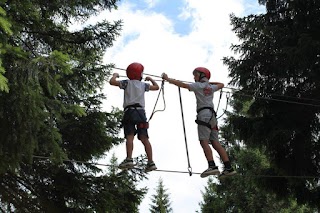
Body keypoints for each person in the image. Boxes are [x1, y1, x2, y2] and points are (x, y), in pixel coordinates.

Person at [162, 67, 236, 178]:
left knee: (204, 141)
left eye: (196, 75)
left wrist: (168, 79)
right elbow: (222, 84)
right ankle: (228, 167)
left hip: (203, 115)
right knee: (215, 142)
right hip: (212, 117)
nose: (194, 77)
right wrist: (208, 82)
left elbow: (183, 85)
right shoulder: (211, 87)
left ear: (201, 75)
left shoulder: (198, 86)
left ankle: (212, 166)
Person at [109, 62, 159, 172]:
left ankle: (129, 159)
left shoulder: (126, 83)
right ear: (139, 74)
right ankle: (151, 162)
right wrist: (150, 79)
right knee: (144, 138)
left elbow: (112, 82)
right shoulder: (143, 85)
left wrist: (115, 75)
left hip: (130, 112)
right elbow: (156, 87)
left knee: (130, 136)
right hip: (141, 113)